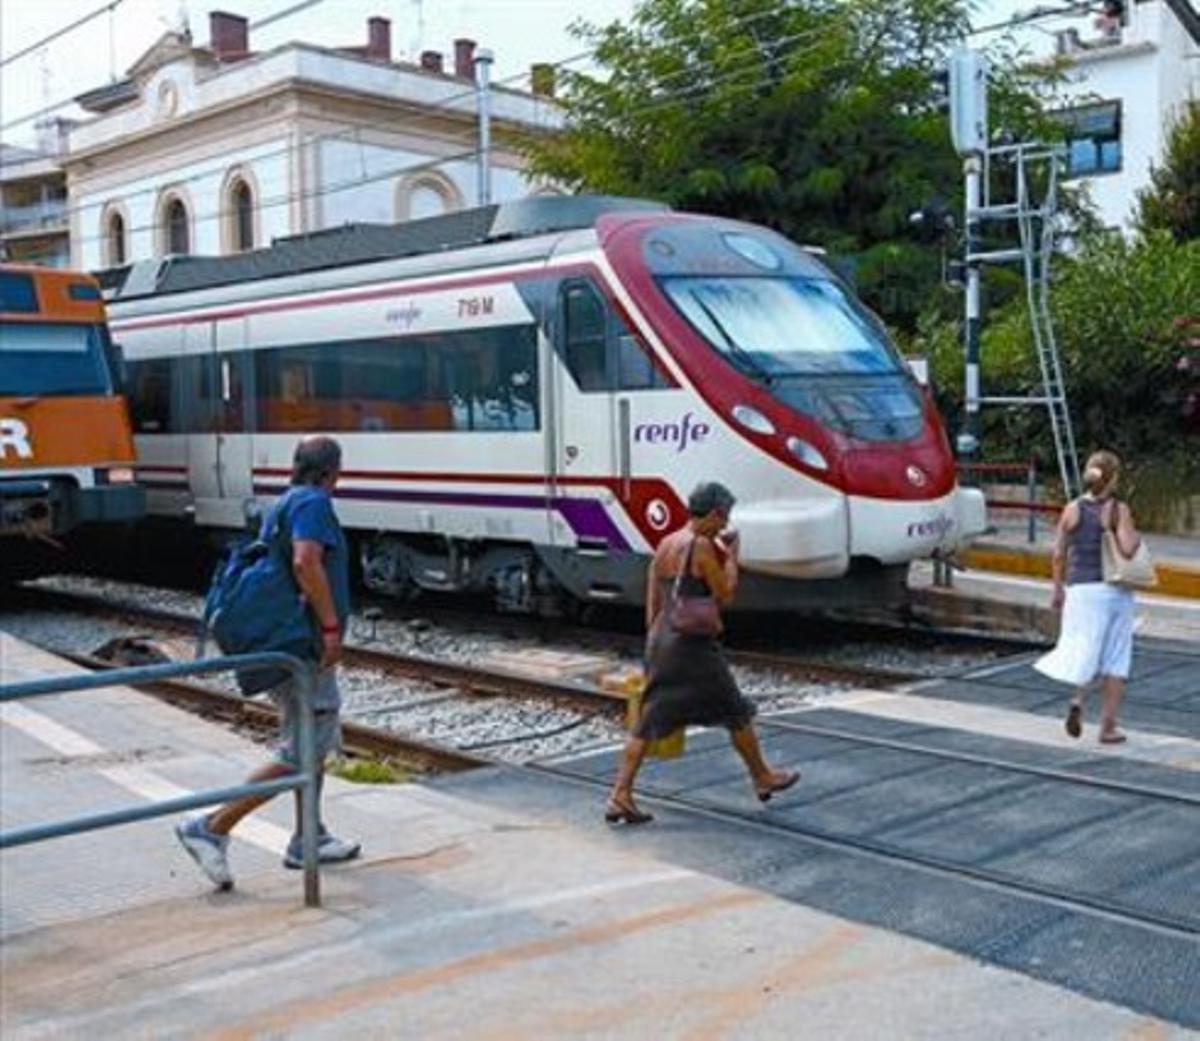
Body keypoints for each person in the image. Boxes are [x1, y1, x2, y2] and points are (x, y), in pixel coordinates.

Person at [175, 435, 360, 889]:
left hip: (293, 642)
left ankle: (308, 838)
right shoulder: (314, 503)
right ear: (333, 470)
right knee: (301, 751)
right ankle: (212, 827)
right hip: (304, 646)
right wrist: (332, 628)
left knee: (310, 743)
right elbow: (305, 561)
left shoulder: (286, 501)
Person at [605, 482, 799, 824]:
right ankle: (762, 776)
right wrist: (733, 557)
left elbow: (653, 599)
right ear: (712, 513)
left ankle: (620, 794)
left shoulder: (666, 543)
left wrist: (653, 642)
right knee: (735, 711)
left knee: (649, 720)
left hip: (662, 639)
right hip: (692, 646)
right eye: (723, 518)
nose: (724, 526)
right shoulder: (701, 546)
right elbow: (724, 595)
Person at [1035, 450, 1142, 744]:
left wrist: (1057, 589)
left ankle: (1078, 702)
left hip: (1078, 591)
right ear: (1114, 477)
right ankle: (1107, 727)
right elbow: (1129, 549)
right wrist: (1129, 532)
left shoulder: (1072, 508)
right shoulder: (1118, 509)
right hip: (1111, 591)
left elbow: (1058, 554)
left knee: (1086, 650)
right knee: (1116, 657)